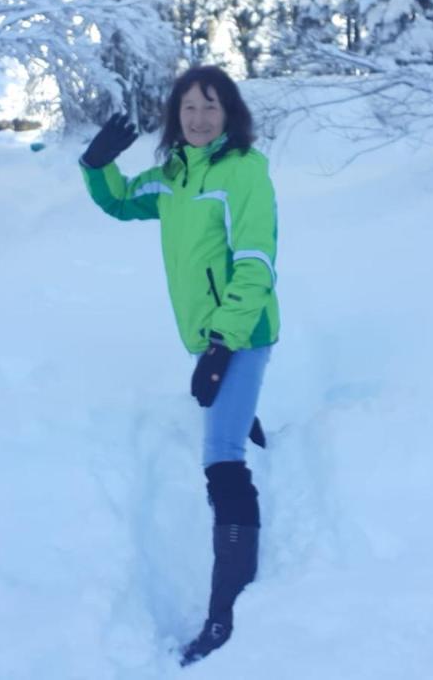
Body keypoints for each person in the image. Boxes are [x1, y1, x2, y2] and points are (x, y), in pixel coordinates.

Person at [78, 65, 280, 666]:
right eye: (188, 107)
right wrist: (96, 165)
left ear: (230, 113)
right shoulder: (173, 177)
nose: (198, 118)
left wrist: (222, 347)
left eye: (210, 107)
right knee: (227, 410)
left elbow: (254, 263)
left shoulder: (244, 173)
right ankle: (247, 417)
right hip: (207, 335)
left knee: (221, 461)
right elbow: (119, 202)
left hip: (241, 333)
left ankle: (227, 612)